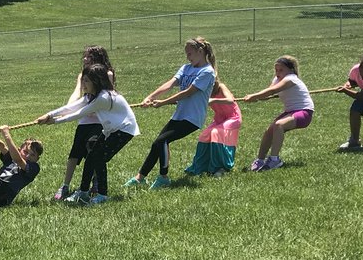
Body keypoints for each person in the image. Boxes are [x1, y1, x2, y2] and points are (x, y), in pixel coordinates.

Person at [38, 64, 139, 204]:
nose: (83, 84)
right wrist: (49, 114)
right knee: (92, 156)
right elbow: (71, 107)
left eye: (86, 81)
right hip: (112, 129)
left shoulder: (103, 97)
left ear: (96, 82)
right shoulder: (92, 96)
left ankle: (102, 194)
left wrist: (53, 121)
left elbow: (79, 113)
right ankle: (84, 192)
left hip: (124, 129)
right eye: (83, 80)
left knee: (98, 158)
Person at [125, 37, 216, 189]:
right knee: (157, 144)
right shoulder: (186, 68)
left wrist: (163, 102)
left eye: (190, 53)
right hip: (180, 115)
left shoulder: (207, 72)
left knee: (162, 141)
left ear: (200, 51)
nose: (188, 57)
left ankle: (163, 177)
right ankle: (140, 177)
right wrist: (151, 96)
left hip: (192, 118)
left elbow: (188, 92)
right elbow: (170, 83)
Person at [53, 46, 116, 201]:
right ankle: (65, 185)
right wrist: (67, 110)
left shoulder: (107, 74)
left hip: (100, 120)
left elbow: (109, 95)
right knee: (75, 152)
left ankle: (95, 182)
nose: (84, 59)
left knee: (93, 148)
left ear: (96, 58)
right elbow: (78, 93)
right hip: (84, 120)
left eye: (88, 57)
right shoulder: (83, 75)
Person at [242, 55, 314, 171]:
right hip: (290, 111)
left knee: (279, 125)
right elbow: (269, 92)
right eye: (276, 70)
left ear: (290, 70)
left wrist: (254, 96)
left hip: (304, 112)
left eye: (281, 70)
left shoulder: (291, 78)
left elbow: (272, 91)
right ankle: (260, 160)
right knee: (269, 131)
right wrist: (256, 98)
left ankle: (274, 160)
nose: (277, 73)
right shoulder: (277, 80)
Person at [183, 78, 241, 176]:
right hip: (220, 119)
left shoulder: (221, 87)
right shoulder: (203, 91)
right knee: (204, 136)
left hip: (233, 118)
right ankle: (200, 166)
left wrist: (213, 100)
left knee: (216, 133)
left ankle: (220, 167)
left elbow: (230, 100)